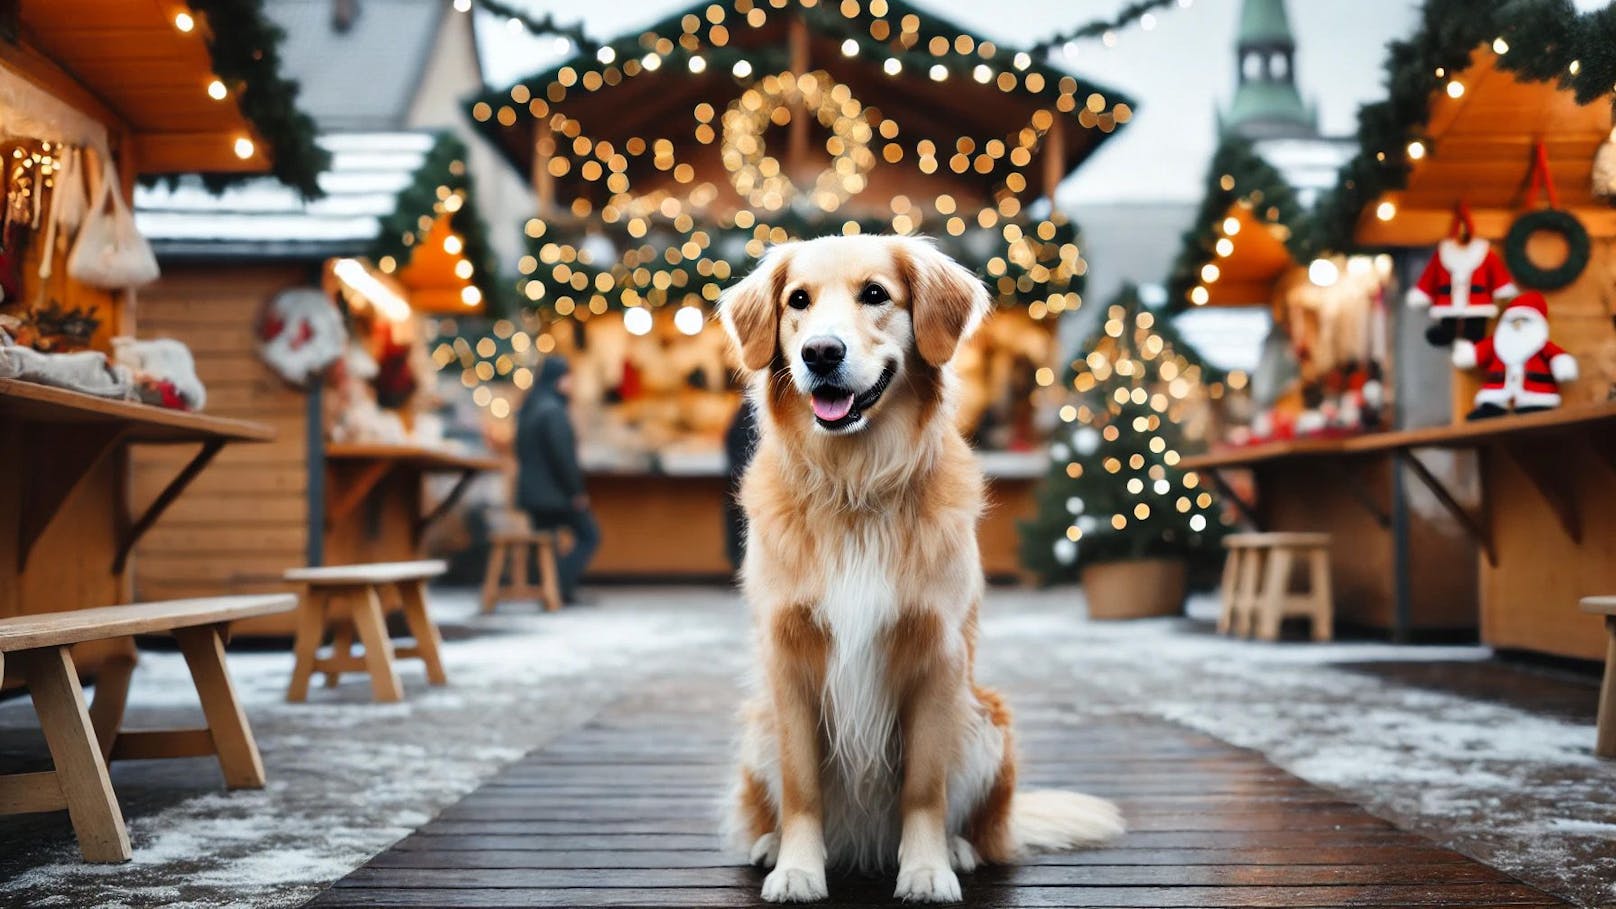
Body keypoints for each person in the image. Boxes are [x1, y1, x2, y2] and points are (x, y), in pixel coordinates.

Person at [515, 357, 599, 604]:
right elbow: (563, 457)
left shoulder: (530, 407)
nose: (571, 384)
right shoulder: (553, 411)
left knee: (547, 544)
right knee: (589, 534)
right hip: (554, 495)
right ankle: (559, 587)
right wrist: (576, 492)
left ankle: (553, 590)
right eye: (569, 378)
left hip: (532, 494)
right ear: (559, 379)